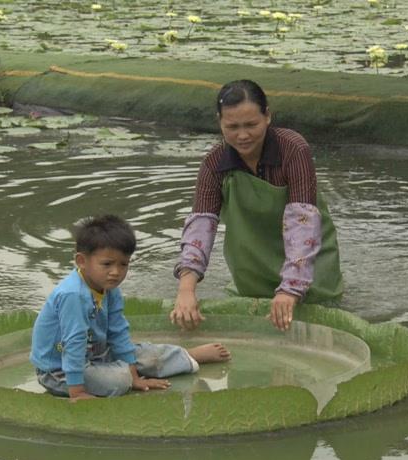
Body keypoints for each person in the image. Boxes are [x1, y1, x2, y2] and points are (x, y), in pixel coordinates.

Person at [170, 79, 343, 332]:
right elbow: (201, 226)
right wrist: (186, 289)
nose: (242, 135)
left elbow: (303, 223)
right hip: (252, 271)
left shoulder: (292, 149)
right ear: (220, 122)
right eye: (232, 126)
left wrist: (290, 289)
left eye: (251, 125)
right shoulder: (213, 163)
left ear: (268, 116)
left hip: (308, 267)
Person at [31, 214, 231, 401]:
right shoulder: (73, 295)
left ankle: (186, 356)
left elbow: (118, 332)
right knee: (120, 380)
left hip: (99, 354)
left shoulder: (110, 289)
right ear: (82, 261)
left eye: (123, 264)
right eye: (107, 264)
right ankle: (135, 370)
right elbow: (72, 344)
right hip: (60, 371)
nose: (116, 272)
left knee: (145, 354)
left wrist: (135, 376)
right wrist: (77, 392)